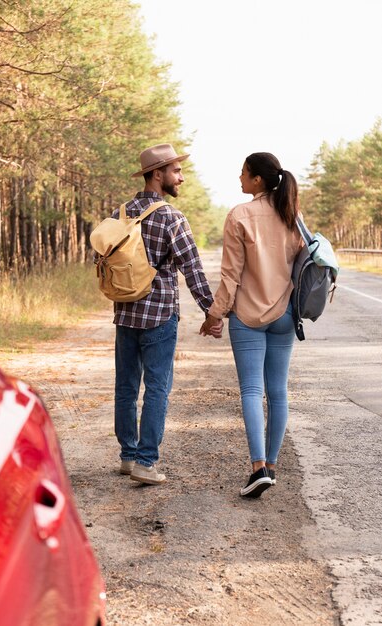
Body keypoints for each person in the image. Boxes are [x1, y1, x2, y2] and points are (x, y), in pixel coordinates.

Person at [112, 143, 222, 486]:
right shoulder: (172, 217)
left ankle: (129, 457)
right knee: (157, 388)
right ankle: (147, 462)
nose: (181, 177)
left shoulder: (121, 214)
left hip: (125, 314)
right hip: (159, 314)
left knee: (126, 388)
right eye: (176, 171)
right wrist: (212, 312)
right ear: (157, 174)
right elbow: (193, 270)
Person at [200, 152, 303, 498]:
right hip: (285, 314)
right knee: (277, 391)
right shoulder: (292, 214)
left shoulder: (240, 215)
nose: (239, 178)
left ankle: (257, 466)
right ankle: (271, 467)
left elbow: (231, 275)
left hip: (246, 317)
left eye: (243, 173)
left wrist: (215, 314)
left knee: (250, 391)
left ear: (257, 179)